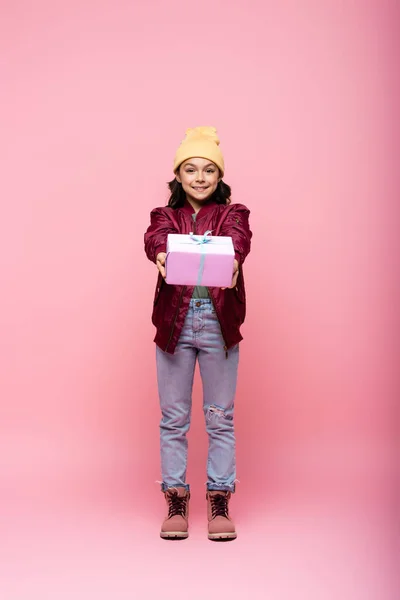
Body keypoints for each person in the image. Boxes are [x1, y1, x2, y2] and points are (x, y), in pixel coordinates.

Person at [144, 126, 252, 541]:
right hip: (174, 323)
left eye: (209, 170)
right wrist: (160, 252)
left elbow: (239, 241)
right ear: (179, 175)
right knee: (173, 419)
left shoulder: (233, 214)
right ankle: (175, 498)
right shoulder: (165, 216)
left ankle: (220, 498)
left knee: (220, 418)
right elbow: (155, 237)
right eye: (191, 170)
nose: (201, 178)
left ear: (219, 177)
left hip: (219, 324)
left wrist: (235, 257)